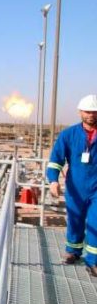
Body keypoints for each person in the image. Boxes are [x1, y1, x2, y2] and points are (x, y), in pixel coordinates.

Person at [47, 94, 97, 276]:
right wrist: (53, 180)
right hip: (75, 187)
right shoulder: (68, 135)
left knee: (96, 223)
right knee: (75, 221)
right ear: (80, 112)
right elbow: (56, 160)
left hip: (96, 189)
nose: (91, 115)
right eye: (87, 111)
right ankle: (73, 251)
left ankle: (93, 261)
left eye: (94, 112)